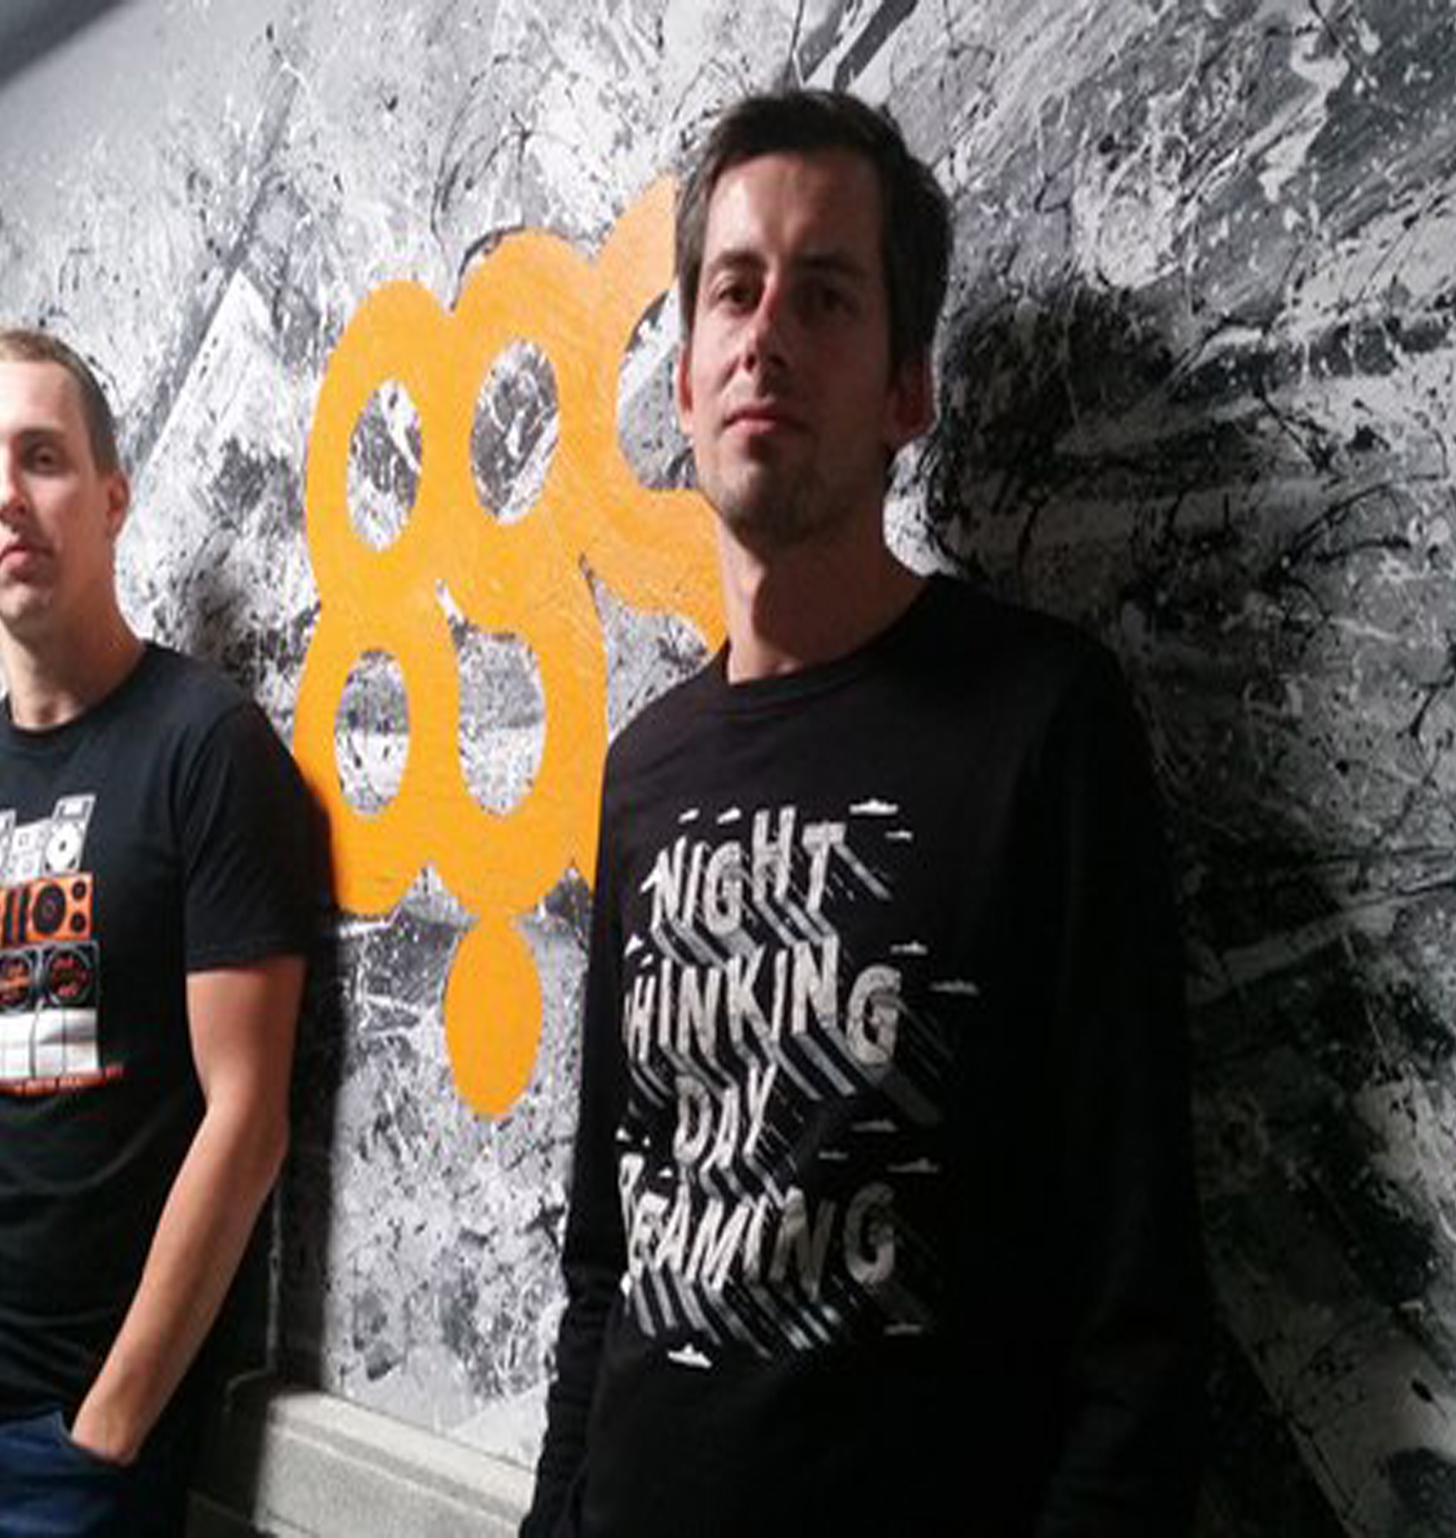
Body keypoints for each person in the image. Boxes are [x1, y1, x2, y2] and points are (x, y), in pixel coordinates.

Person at [523, 90, 1205, 1535]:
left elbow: (1135, 1307)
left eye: (825, 294)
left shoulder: (1039, 722)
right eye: (733, 290)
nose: (765, 333)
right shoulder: (645, 769)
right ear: (687, 380)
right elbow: (606, 1245)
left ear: (907, 391)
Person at [0, 327, 316, 1534]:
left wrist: (112, 1422)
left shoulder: (207, 747)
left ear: (110, 496)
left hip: (64, 1453)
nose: (8, 494)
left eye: (41, 456)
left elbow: (246, 1117)